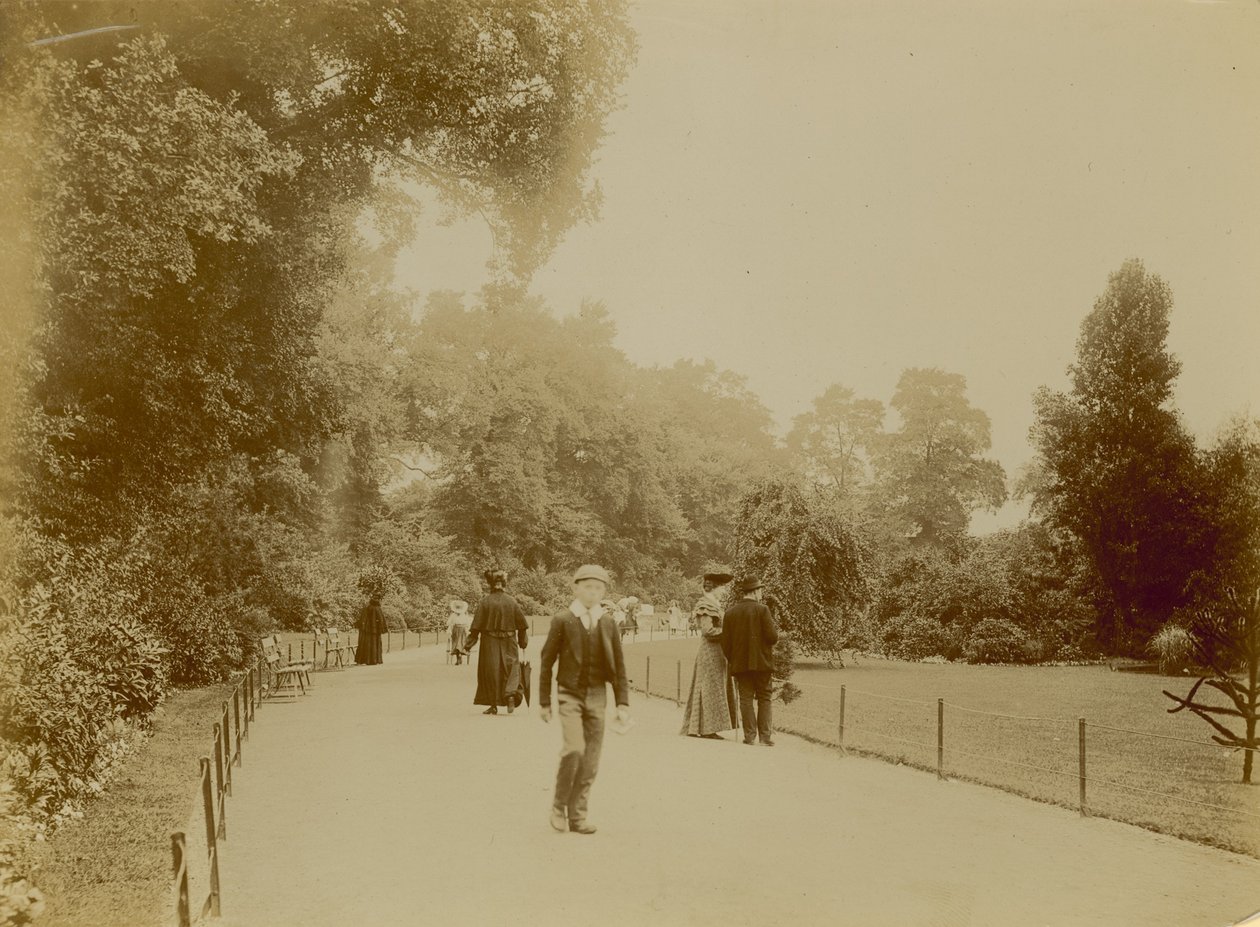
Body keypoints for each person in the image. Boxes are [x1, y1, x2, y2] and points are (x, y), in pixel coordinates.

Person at [540, 564, 631, 835]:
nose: (593, 593)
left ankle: (577, 816)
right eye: (588, 587)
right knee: (574, 749)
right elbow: (546, 662)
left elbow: (619, 666)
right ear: (576, 588)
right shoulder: (562, 620)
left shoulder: (608, 623)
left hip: (597, 696)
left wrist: (623, 703)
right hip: (569, 694)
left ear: (604, 591)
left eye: (599, 588)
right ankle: (558, 806)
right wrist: (544, 702)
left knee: (591, 760)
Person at [721, 576, 779, 746]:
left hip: (740, 664)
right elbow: (772, 637)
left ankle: (749, 736)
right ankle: (765, 737)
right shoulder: (763, 610)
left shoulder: (730, 613)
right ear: (754, 592)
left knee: (745, 698)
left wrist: (733, 659)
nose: (761, 593)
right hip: (762, 663)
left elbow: (725, 644)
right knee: (764, 697)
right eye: (760, 590)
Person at [680, 572, 737, 740]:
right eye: (723, 588)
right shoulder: (706, 604)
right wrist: (729, 633)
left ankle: (707, 728)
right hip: (709, 652)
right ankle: (705, 729)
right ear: (716, 588)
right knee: (708, 687)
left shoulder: (714, 604)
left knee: (712, 687)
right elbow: (708, 631)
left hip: (717, 652)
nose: (725, 592)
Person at [466, 569, 529, 715]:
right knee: (511, 668)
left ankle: (493, 705)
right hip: (509, 641)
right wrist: (523, 642)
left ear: (491, 584)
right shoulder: (511, 601)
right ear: (504, 584)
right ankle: (511, 695)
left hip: (490, 641)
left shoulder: (485, 602)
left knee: (491, 672)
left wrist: (467, 645)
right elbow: (522, 625)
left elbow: (475, 628)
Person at [355, 594, 387, 666]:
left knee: (368, 645)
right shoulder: (378, 608)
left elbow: (363, 619)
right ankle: (375, 660)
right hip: (375, 631)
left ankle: (367, 660)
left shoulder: (367, 608)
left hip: (368, 631)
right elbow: (381, 620)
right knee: (375, 644)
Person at [447, 599, 471, 665]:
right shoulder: (453, 615)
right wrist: (450, 631)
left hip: (463, 630)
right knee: (456, 643)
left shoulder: (465, 615)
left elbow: (468, 624)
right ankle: (458, 657)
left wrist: (468, 631)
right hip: (455, 630)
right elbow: (449, 623)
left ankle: (459, 657)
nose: (458, 611)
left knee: (461, 643)